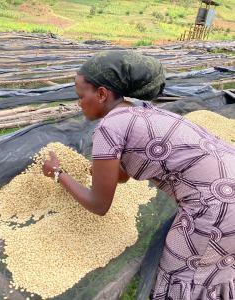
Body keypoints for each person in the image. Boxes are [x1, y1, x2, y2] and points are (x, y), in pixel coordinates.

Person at [42, 50, 235, 300]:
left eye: (81, 96)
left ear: (101, 94)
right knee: (216, 267)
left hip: (218, 207)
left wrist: (58, 174)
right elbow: (123, 175)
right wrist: (102, 172)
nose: (79, 103)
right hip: (227, 189)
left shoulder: (109, 128)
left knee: (182, 274)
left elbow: (99, 205)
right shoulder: (141, 110)